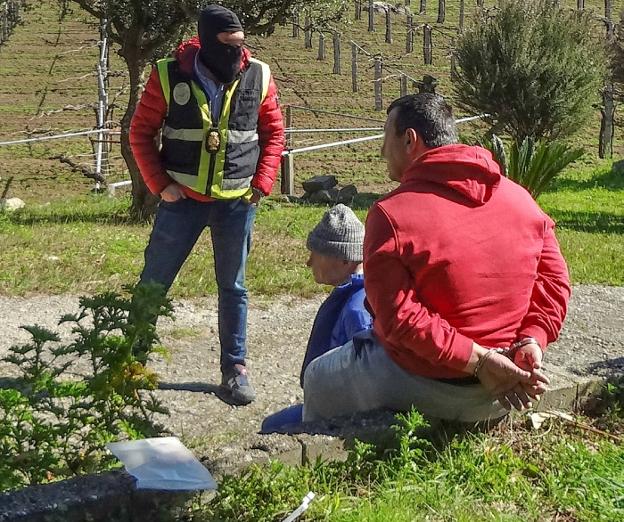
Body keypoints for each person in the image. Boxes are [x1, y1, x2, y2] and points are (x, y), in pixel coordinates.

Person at [302, 93, 571, 423]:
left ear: (410, 140)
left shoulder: (391, 214)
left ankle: (318, 451)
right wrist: (533, 339)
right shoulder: (522, 200)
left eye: (386, 137)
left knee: (316, 377)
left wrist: (480, 361)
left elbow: (399, 319)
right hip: (507, 389)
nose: (382, 150)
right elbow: (555, 284)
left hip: (428, 384)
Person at [129, 5, 284, 405]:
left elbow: (274, 135)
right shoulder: (168, 75)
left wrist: (262, 184)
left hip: (237, 204)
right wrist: (159, 184)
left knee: (234, 289)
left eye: (241, 44)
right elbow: (140, 133)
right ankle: (129, 364)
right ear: (206, 40)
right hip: (181, 200)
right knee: (154, 282)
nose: (237, 52)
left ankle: (234, 370)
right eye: (227, 45)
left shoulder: (260, 75)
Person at [261, 204, 373, 432]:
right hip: (333, 398)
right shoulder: (357, 293)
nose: (309, 262)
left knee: (271, 428)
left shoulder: (357, 310)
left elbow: (368, 378)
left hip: (341, 411)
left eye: (318, 253)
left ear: (345, 260)